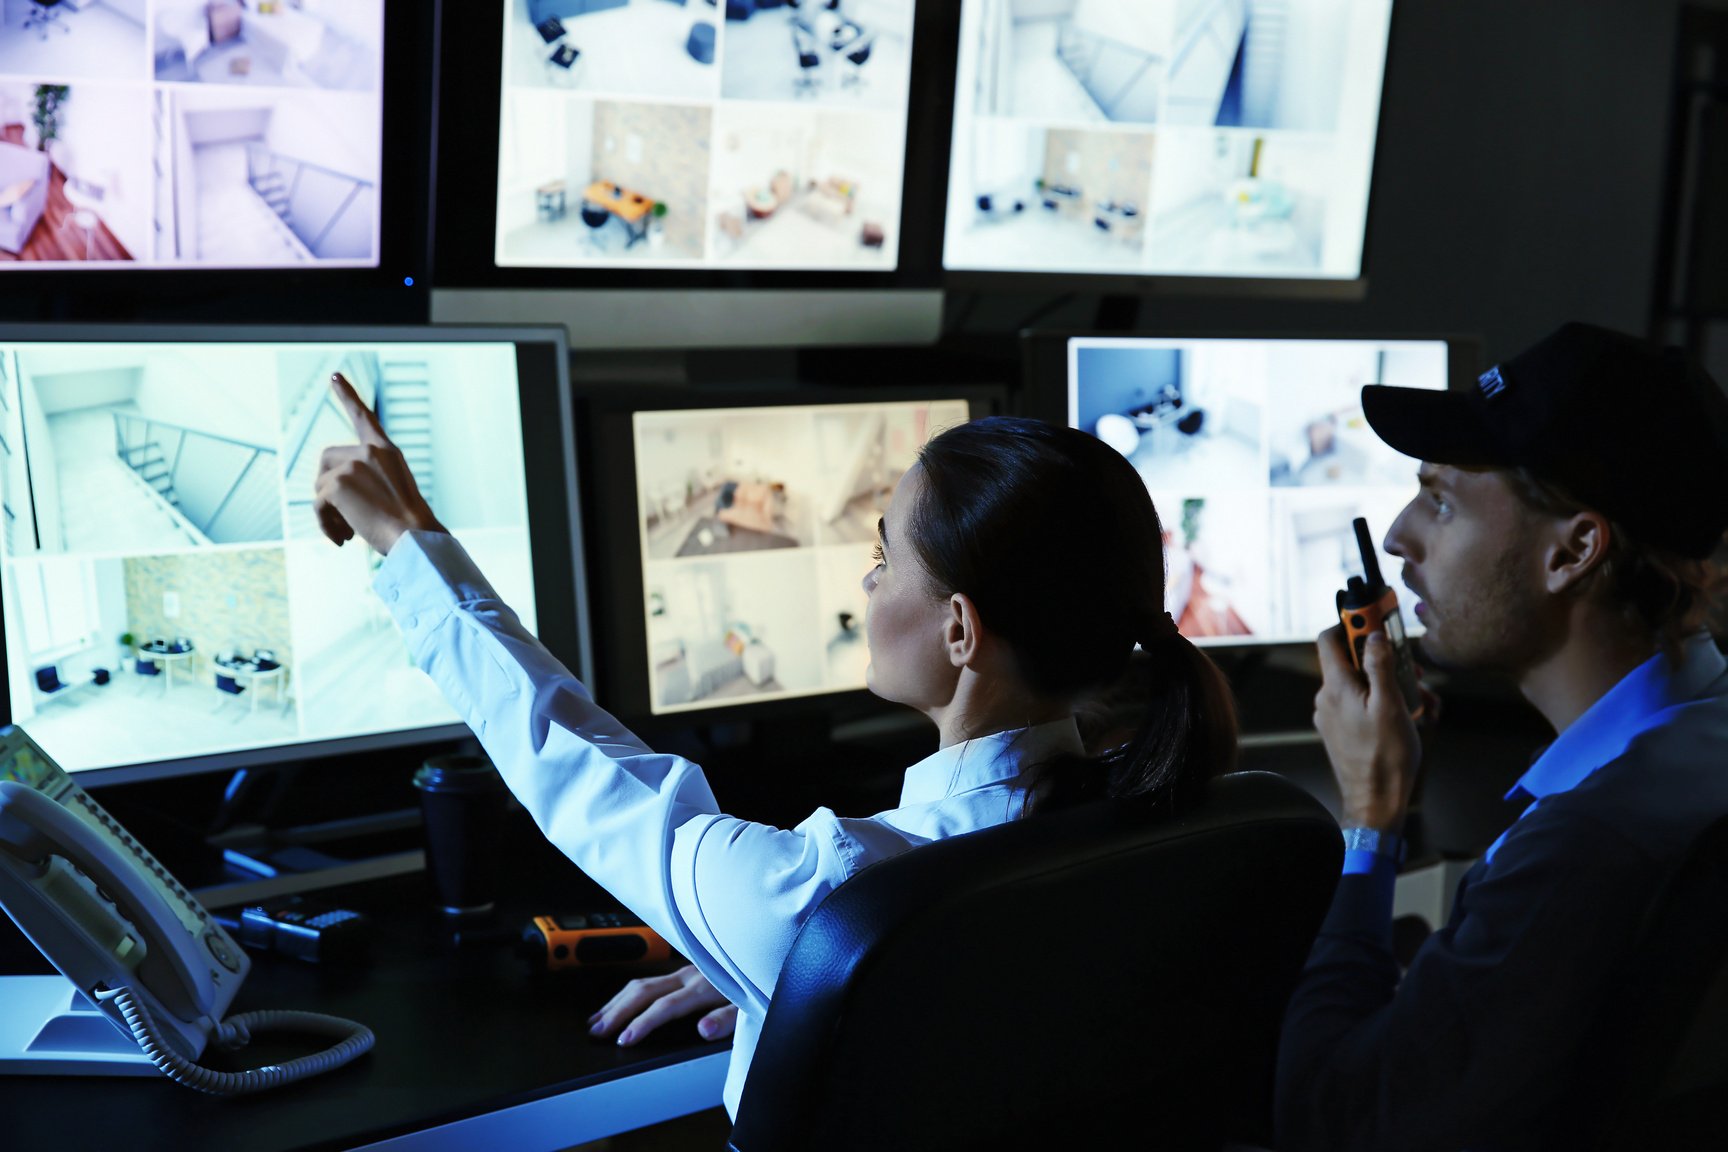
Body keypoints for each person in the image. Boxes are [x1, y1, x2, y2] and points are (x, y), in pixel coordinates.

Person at [313, 385, 1237, 1117]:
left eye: (885, 555)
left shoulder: (831, 898)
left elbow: (573, 765)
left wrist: (405, 540)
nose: (868, 581)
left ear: (960, 630)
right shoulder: (1176, 830)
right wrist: (775, 976)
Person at [1277, 322, 1728, 1151]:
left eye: (1441, 500)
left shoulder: (1582, 846)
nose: (1400, 537)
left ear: (1574, 552)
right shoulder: (1702, 736)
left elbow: (1331, 1119)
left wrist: (1370, 817)